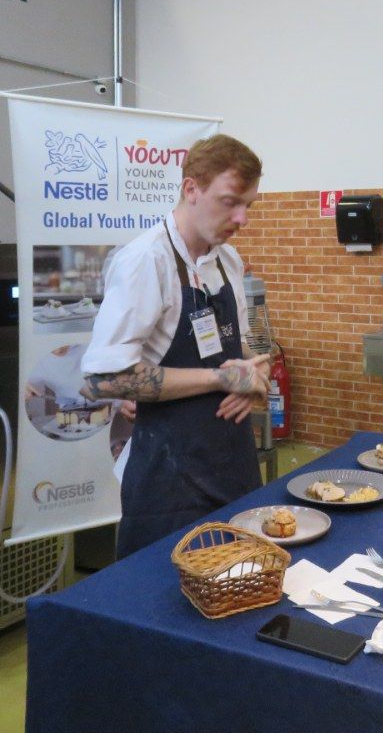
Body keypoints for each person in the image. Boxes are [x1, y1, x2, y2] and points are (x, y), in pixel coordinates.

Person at [79, 134, 269, 558]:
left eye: (249, 205)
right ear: (191, 189)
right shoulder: (147, 261)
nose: (241, 218)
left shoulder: (228, 261)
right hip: (168, 484)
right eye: (230, 201)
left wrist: (256, 377)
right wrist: (220, 378)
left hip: (232, 463)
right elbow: (102, 380)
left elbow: (247, 351)